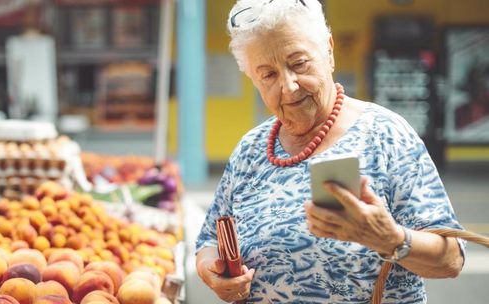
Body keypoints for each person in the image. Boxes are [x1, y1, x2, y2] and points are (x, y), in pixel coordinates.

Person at [195, 0, 465, 303]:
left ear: (329, 50)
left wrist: (389, 239)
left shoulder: (386, 135)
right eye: (268, 75)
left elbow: (451, 259)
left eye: (298, 63)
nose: (289, 86)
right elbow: (209, 239)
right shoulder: (251, 149)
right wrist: (211, 270)